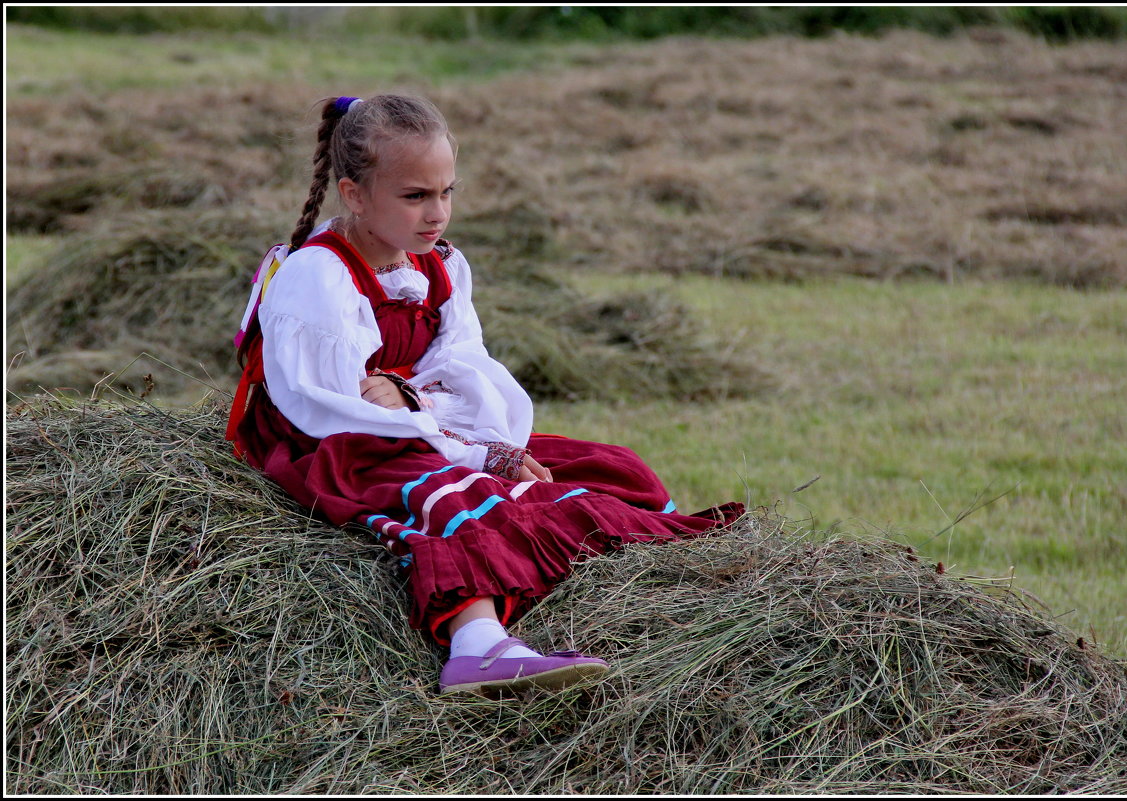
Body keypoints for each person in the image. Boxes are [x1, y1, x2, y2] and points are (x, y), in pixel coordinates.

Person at [228, 93, 744, 695]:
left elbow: (464, 371)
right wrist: (452, 441)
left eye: (447, 192)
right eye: (415, 196)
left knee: (607, 467)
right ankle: (477, 645)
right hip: (334, 439)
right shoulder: (319, 275)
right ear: (354, 194)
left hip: (418, 425)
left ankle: (650, 594)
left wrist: (470, 435)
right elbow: (333, 402)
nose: (437, 212)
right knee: (449, 492)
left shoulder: (441, 266)